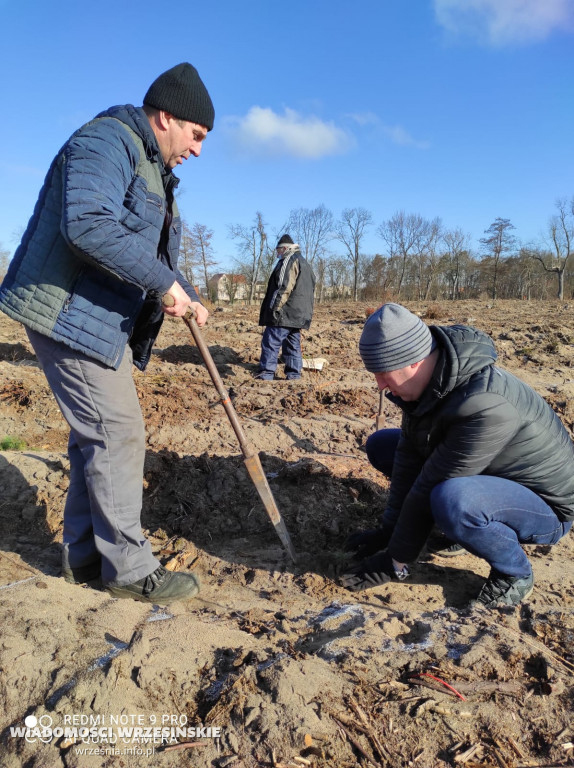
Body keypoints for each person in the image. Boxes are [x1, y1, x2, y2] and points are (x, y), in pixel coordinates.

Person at [0, 63, 215, 604]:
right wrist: (164, 284)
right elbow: (88, 225)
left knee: (96, 439)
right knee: (118, 435)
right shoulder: (105, 141)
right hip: (69, 314)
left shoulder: (146, 162)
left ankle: (85, 556)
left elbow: (144, 249)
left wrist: (181, 289)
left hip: (96, 319)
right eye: (197, 135)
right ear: (167, 116)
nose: (197, 150)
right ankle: (129, 569)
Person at [342, 303, 574, 608]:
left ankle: (514, 572)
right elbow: (410, 461)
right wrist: (388, 532)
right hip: (491, 476)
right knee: (383, 445)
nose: (380, 387)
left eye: (384, 375)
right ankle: (459, 529)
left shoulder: (485, 405)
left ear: (413, 362)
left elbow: (429, 484)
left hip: (546, 507)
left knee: (452, 499)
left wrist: (396, 561)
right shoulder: (431, 384)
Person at [256, 234, 315, 380]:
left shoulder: (289, 260)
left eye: (278, 251)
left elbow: (283, 286)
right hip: (300, 314)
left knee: (270, 341)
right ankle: (294, 375)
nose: (277, 254)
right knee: (292, 343)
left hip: (285, 312)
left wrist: (274, 308)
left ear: (284, 248)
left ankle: (266, 373)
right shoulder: (305, 264)